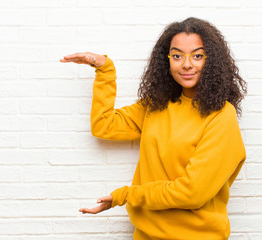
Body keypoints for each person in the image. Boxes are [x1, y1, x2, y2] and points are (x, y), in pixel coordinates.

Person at [60, 17, 247, 240]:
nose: (186, 64)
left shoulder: (221, 116)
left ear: (212, 61)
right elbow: (104, 126)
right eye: (177, 56)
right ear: (166, 60)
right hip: (145, 235)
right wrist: (105, 71)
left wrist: (128, 195)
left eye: (197, 56)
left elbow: (192, 193)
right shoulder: (157, 105)